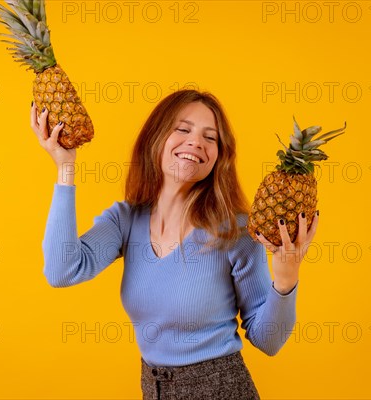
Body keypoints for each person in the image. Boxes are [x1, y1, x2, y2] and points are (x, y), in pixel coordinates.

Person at [30, 89, 318, 400]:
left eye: (211, 138)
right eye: (182, 129)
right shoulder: (125, 220)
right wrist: (65, 167)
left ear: (219, 156)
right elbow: (62, 271)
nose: (196, 142)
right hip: (153, 389)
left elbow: (268, 341)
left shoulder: (235, 232)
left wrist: (287, 280)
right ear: (155, 139)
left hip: (222, 390)